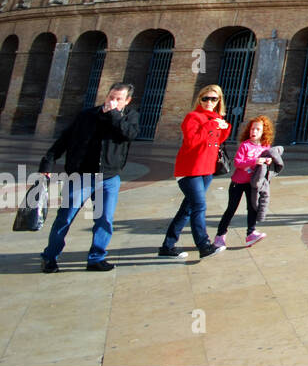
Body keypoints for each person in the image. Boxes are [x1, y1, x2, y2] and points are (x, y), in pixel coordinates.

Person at [38, 83, 139, 272]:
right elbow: (65, 139)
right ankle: (50, 257)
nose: (113, 101)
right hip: (81, 176)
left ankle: (96, 258)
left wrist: (114, 115)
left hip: (108, 177)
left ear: (127, 101)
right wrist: (47, 162)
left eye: (118, 99)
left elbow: (130, 134)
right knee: (65, 218)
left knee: (104, 220)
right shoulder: (87, 115)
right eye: (111, 97)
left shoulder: (129, 117)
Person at [158, 85, 231, 260]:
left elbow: (218, 140)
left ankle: (167, 246)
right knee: (199, 206)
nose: (209, 102)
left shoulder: (215, 117)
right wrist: (211, 124)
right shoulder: (193, 117)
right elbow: (192, 142)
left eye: (214, 99)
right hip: (190, 170)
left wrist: (224, 126)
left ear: (219, 101)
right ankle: (204, 245)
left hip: (207, 169)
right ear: (199, 99)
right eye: (205, 98)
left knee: (187, 209)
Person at [215, 116, 275, 248]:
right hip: (238, 182)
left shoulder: (265, 147)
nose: (254, 131)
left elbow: (268, 162)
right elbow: (238, 162)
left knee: (253, 207)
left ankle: (251, 233)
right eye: (252, 129)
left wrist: (268, 161)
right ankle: (220, 235)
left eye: (258, 129)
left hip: (253, 184)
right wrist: (255, 161)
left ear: (264, 132)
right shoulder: (245, 145)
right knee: (231, 209)